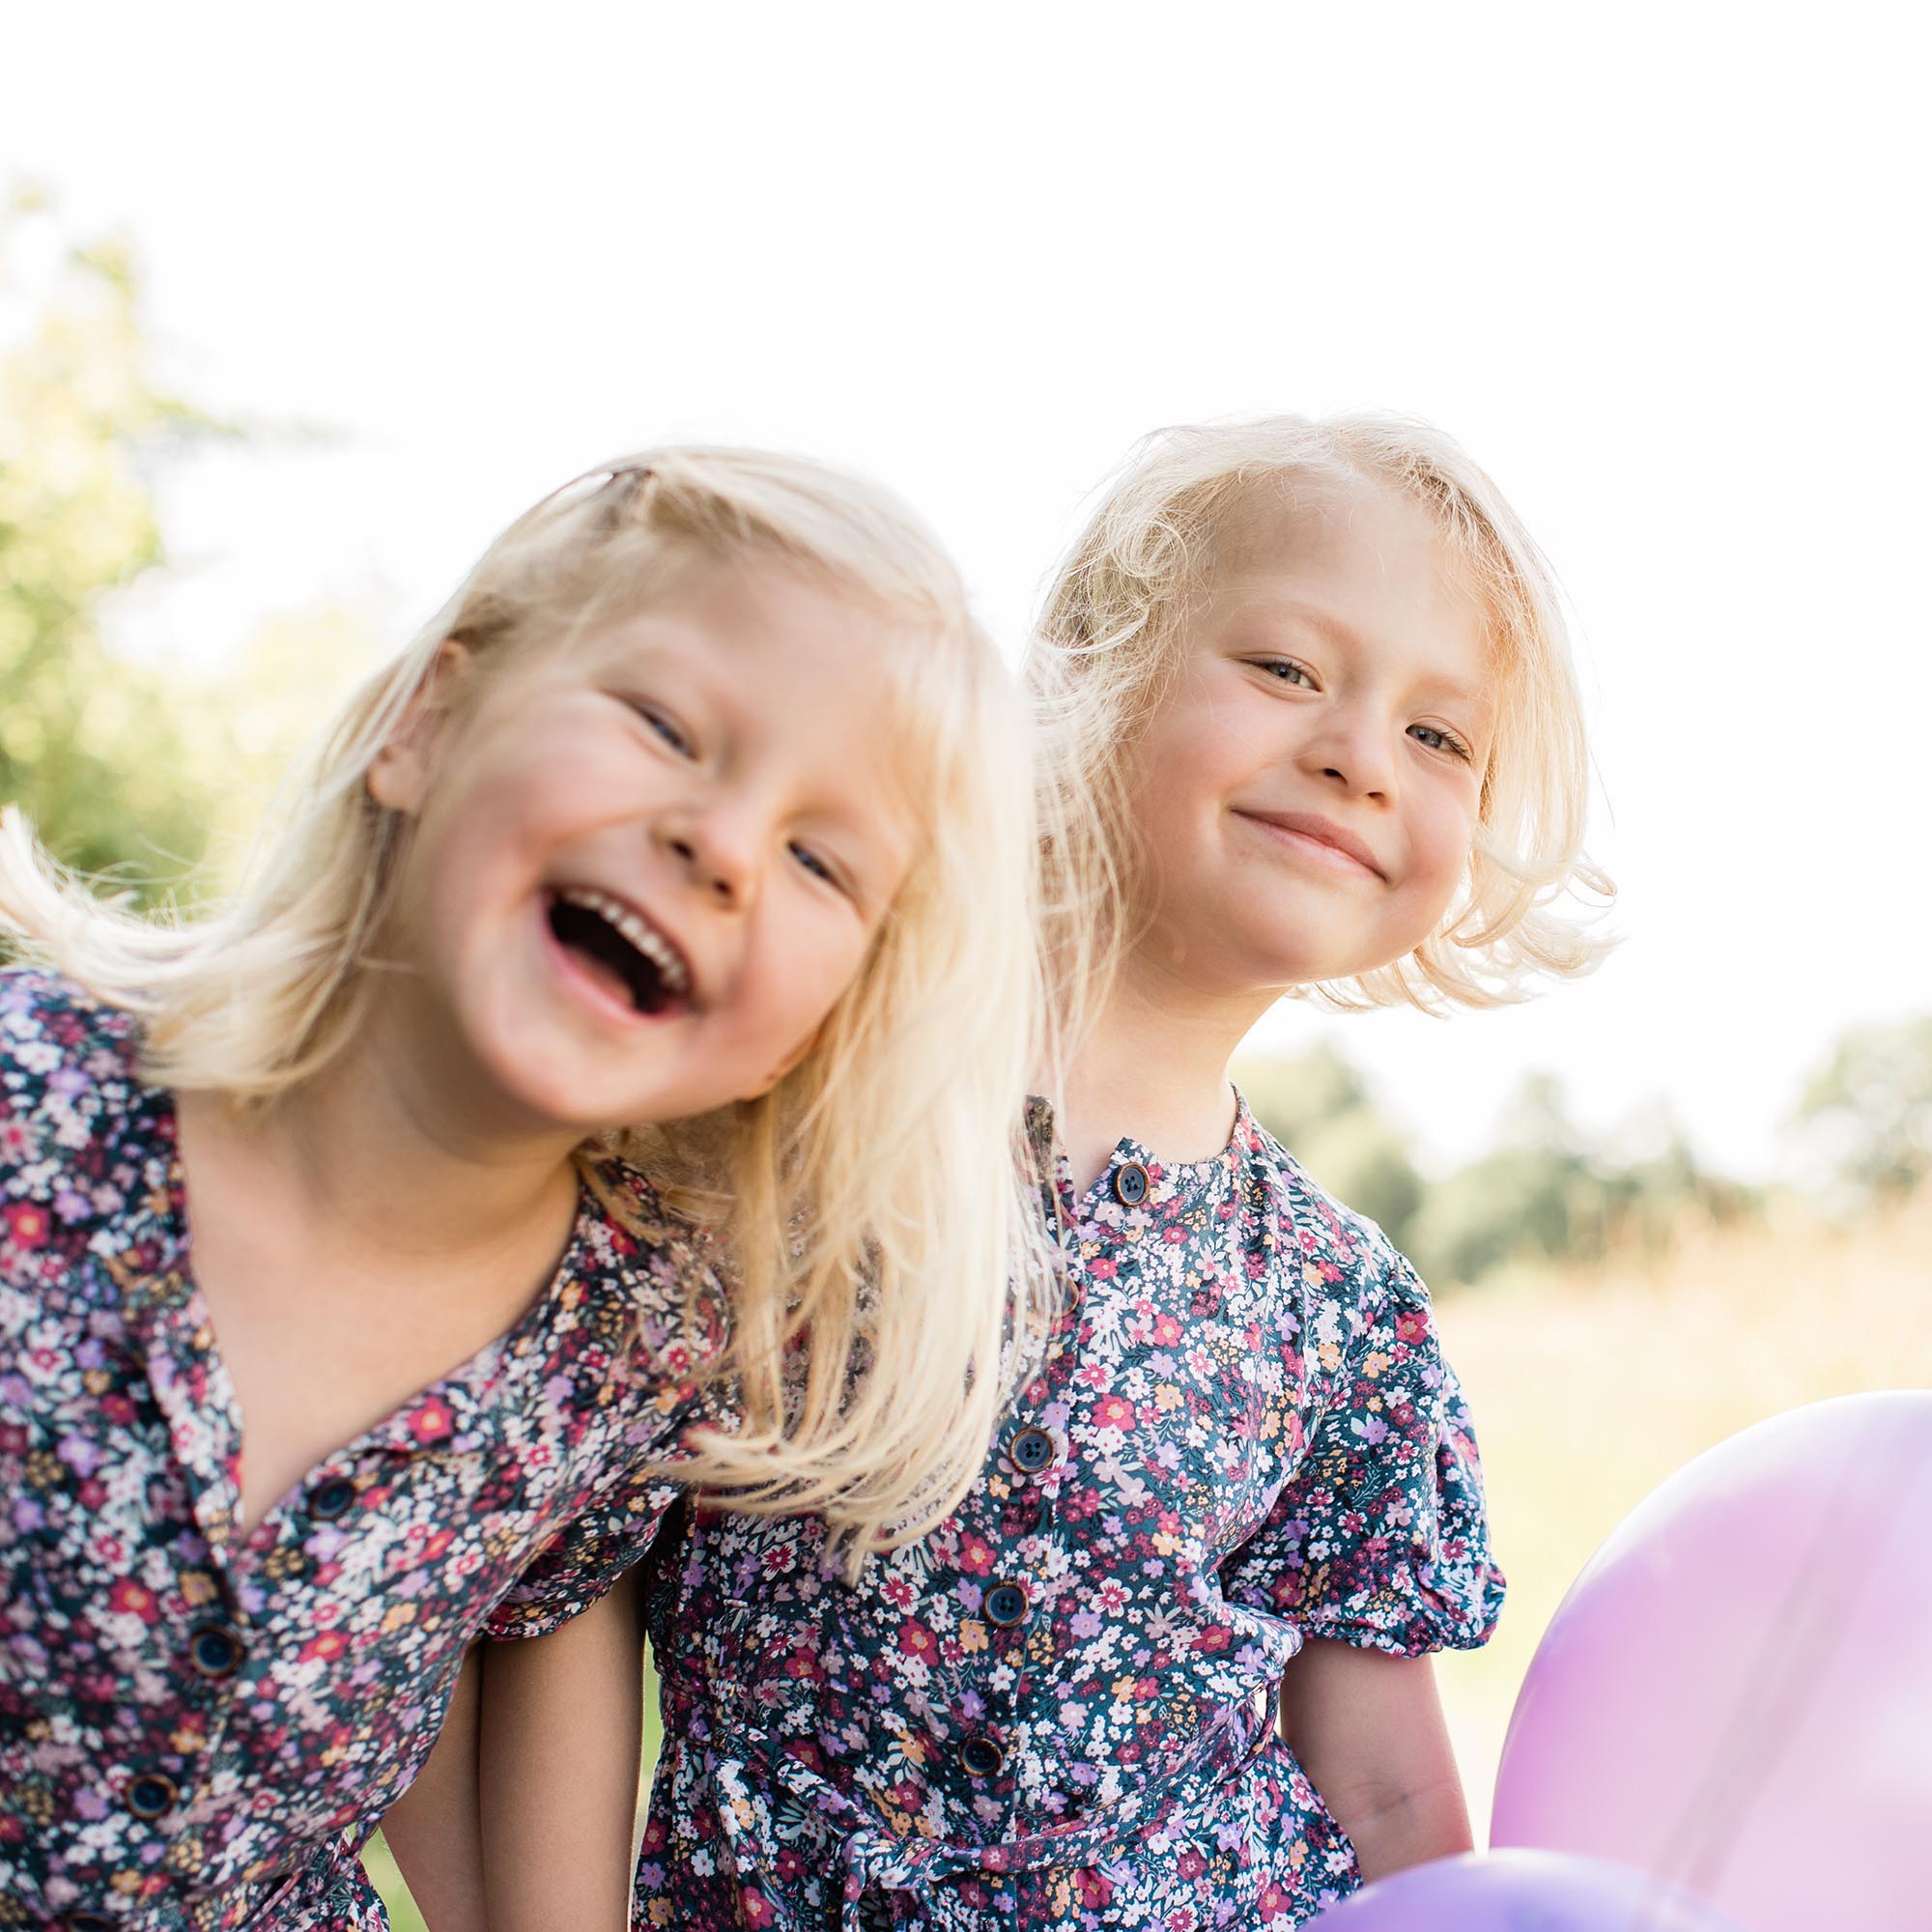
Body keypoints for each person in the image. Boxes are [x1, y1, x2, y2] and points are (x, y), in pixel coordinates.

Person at [446, 412, 1611, 1930]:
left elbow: (1383, 1779)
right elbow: (564, 1592)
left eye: (1439, 736)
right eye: (1285, 669)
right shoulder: (787, 1134)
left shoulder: (1339, 1307)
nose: (1356, 755)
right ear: (1095, 668)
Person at [0, 448, 1047, 1931]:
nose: (727, 844)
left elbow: (489, 1683)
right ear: (427, 723)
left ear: (815, 1032)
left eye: (822, 860)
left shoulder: (625, 1353)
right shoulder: (33, 1108)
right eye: (665, 725)